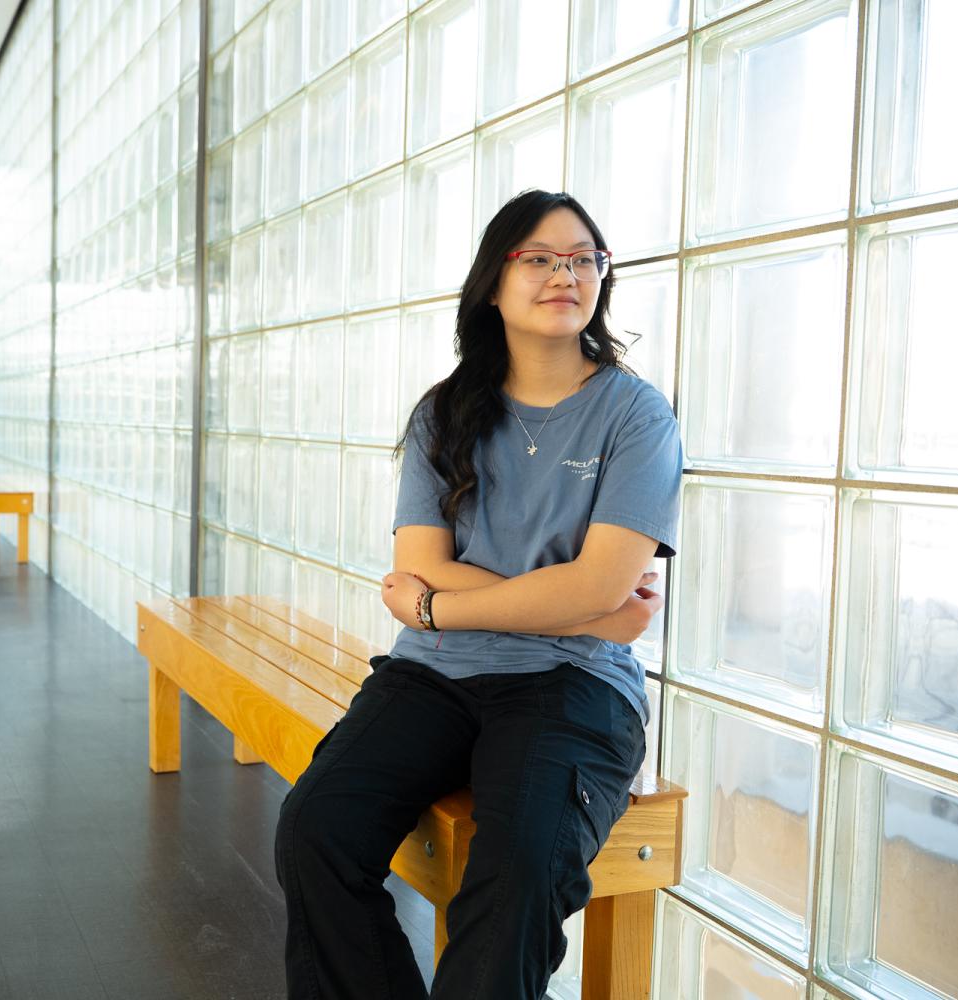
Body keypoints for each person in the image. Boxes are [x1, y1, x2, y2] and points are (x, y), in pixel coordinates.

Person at [273, 189, 684, 1000]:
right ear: (493, 283)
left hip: (573, 683)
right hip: (432, 676)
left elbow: (590, 584)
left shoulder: (636, 416)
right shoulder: (444, 415)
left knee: (518, 877)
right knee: (314, 833)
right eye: (538, 258)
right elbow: (427, 559)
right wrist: (578, 602)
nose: (564, 273)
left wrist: (435, 607)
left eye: (583, 259)